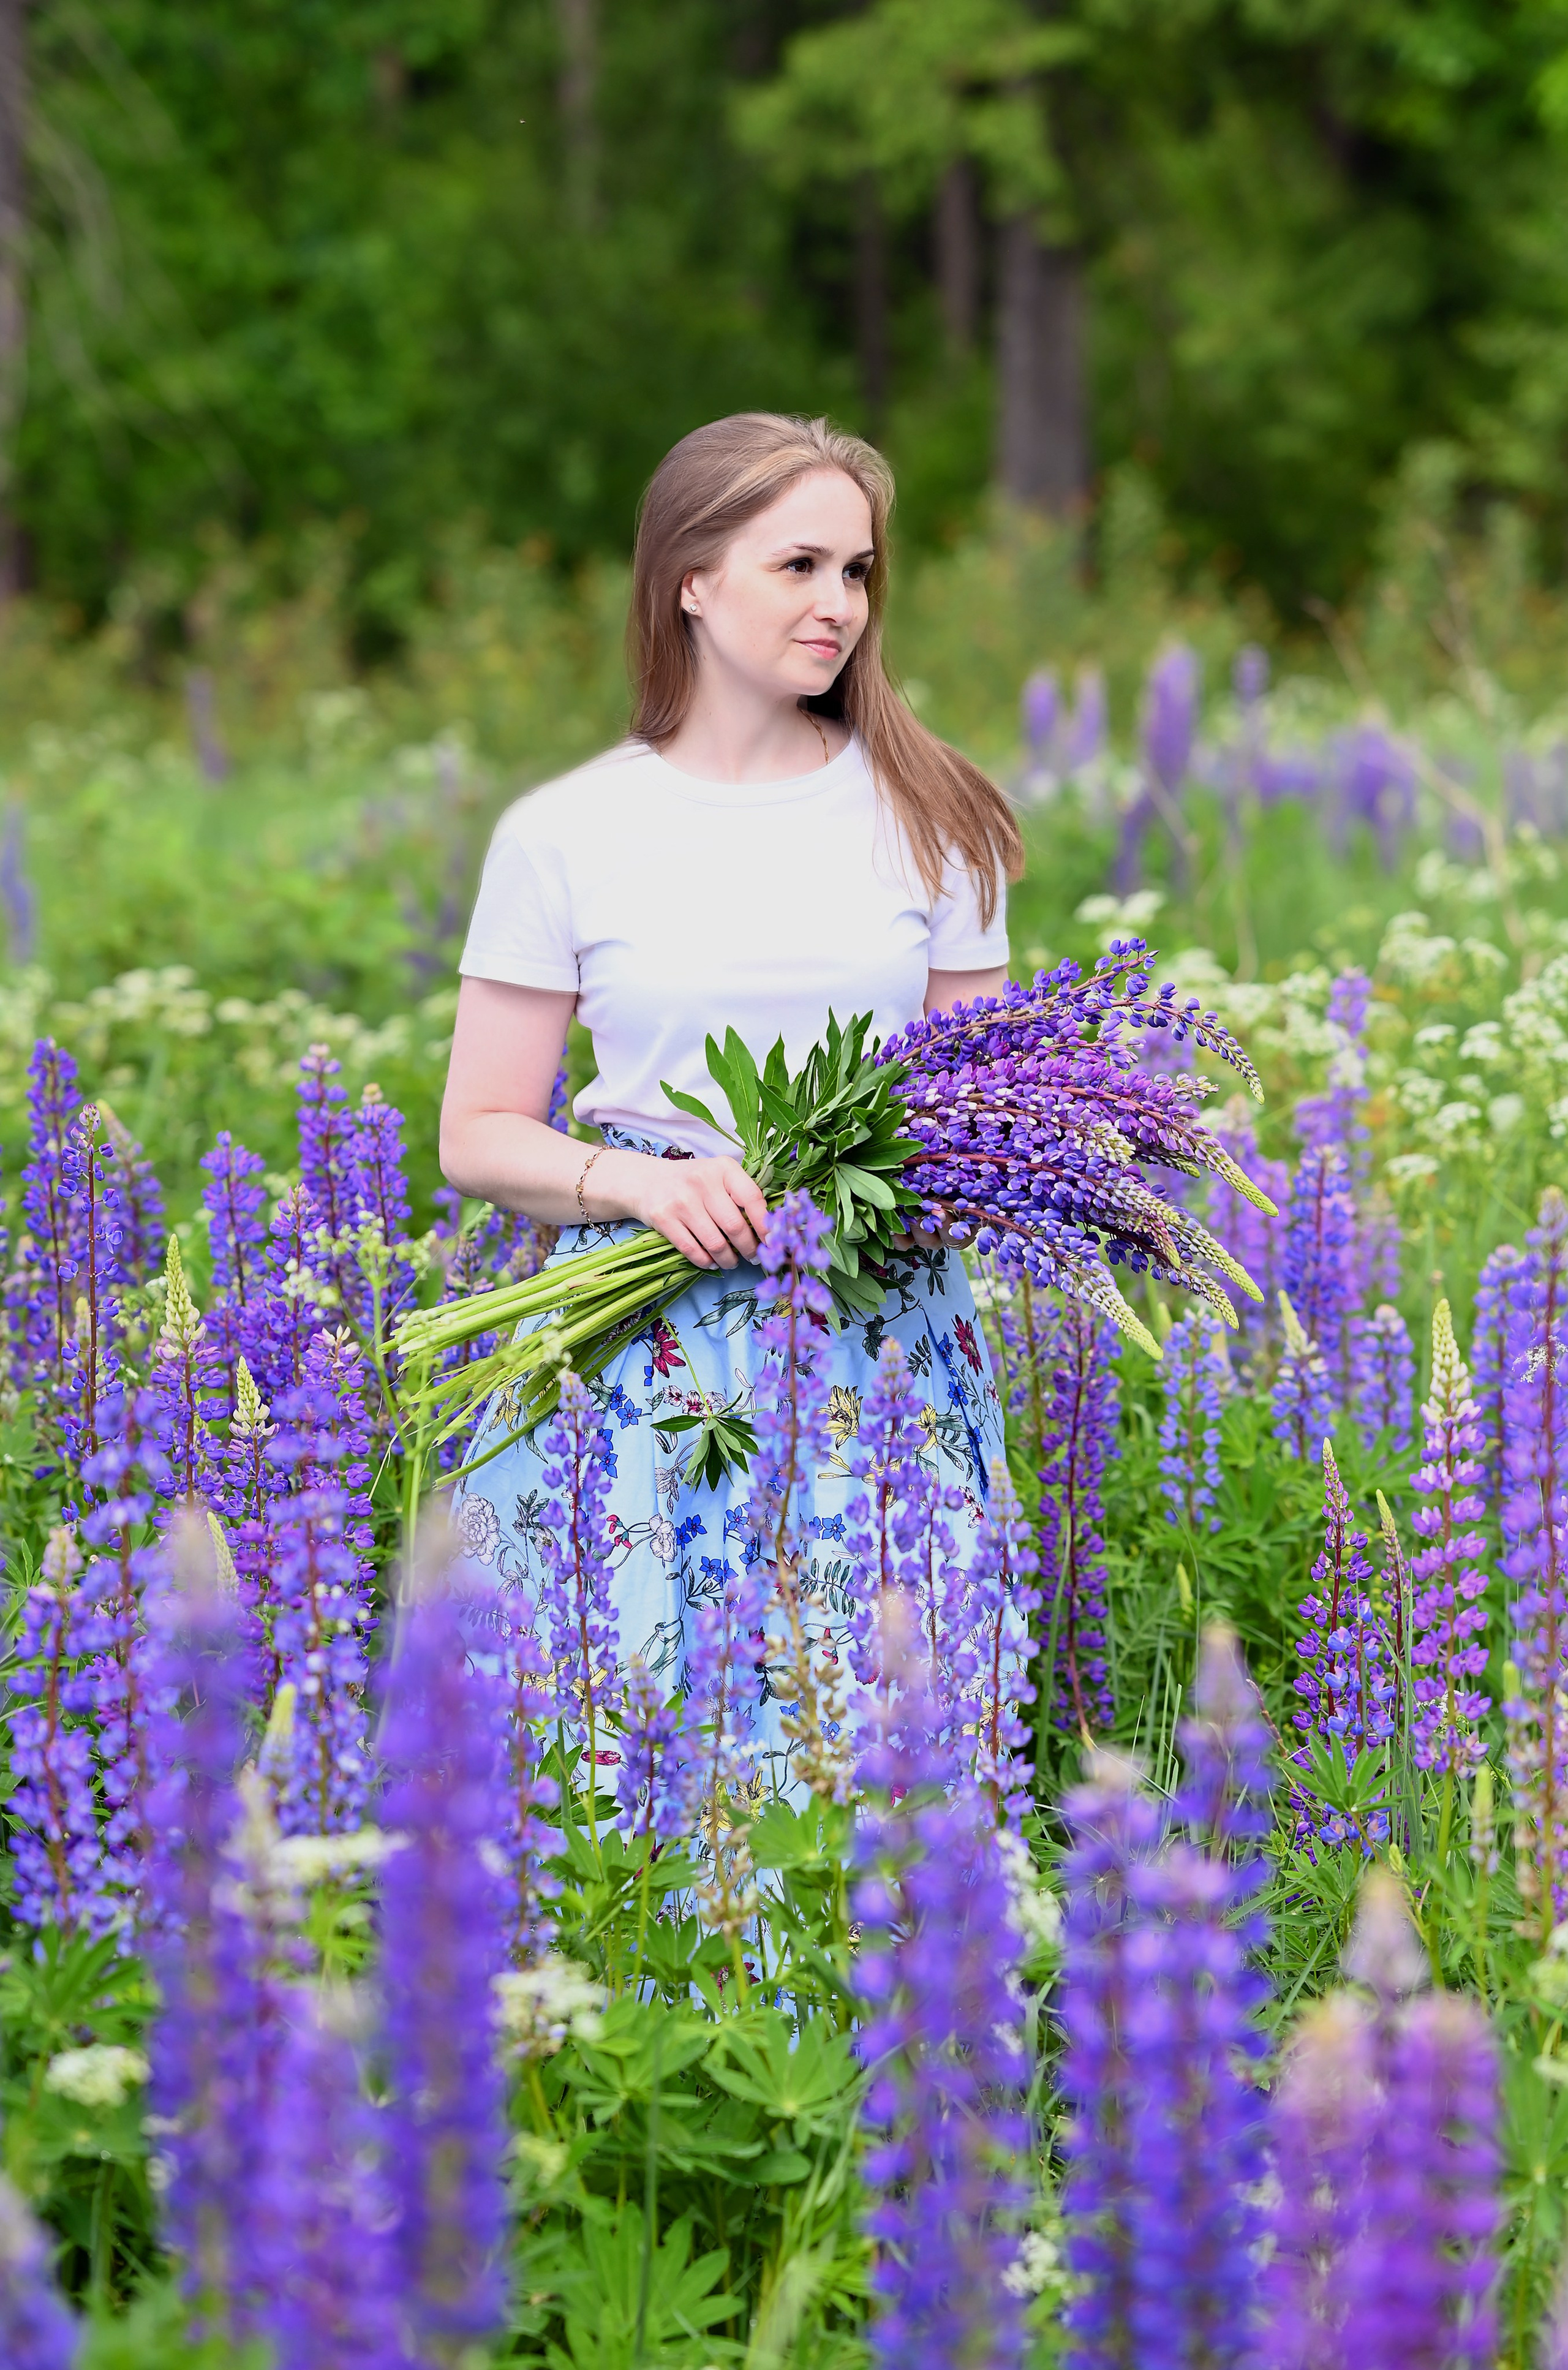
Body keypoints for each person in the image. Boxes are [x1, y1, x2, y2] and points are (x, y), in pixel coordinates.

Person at [440, 410, 1022, 1797]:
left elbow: (983, 1111)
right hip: (641, 1348)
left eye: (859, 573)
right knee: (621, 1764)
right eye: (798, 565)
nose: (837, 605)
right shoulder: (566, 834)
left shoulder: (936, 817)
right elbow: (477, 1132)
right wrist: (634, 1183)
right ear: (688, 580)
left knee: (893, 1765)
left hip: (877, 1345)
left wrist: (897, 1181)